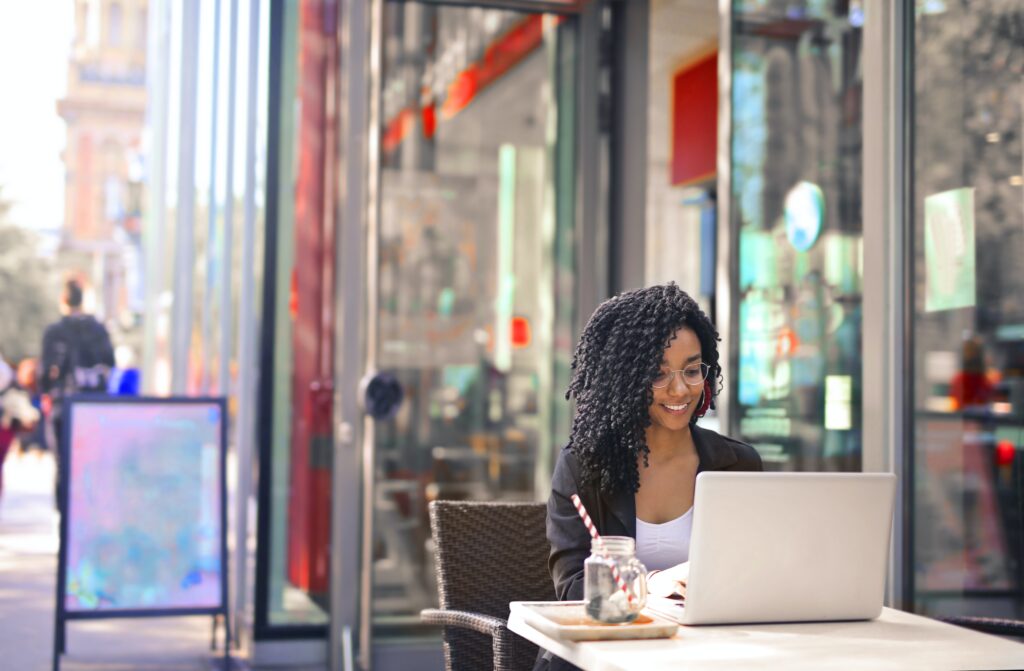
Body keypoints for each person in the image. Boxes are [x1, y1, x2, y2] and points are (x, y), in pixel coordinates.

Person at [536, 283, 763, 671]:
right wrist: (653, 583)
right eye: (658, 375)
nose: (680, 389)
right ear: (623, 380)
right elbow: (573, 588)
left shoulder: (737, 464)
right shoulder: (584, 467)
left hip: (709, 657)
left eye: (692, 370)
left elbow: (757, 573)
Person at [39, 279, 115, 504]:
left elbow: (45, 374)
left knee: (63, 465)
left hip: (64, 406)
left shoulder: (54, 331)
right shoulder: (98, 330)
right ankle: (90, 512)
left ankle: (65, 520)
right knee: (92, 463)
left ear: (63, 300)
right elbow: (110, 364)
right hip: (94, 406)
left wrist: (49, 390)